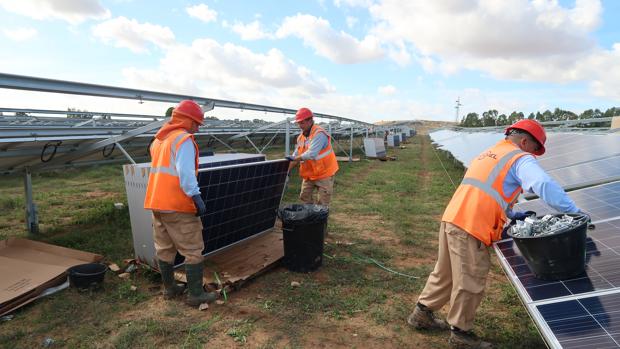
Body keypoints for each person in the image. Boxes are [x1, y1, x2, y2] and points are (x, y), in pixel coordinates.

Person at [408, 119, 585, 349]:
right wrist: (574, 212)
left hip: (453, 216)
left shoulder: (489, 153)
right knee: (470, 280)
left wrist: (512, 213)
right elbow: (542, 183)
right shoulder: (519, 157)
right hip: (472, 225)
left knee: (446, 272)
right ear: (524, 141)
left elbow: (487, 190)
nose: (534, 155)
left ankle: (421, 314)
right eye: (535, 149)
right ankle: (461, 335)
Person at [144, 100, 216, 306]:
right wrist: (196, 196)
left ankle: (169, 289)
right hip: (177, 204)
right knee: (192, 249)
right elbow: (184, 173)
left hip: (156, 203)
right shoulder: (183, 139)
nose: (198, 127)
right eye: (196, 123)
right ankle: (195, 295)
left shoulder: (158, 140)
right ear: (186, 120)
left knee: (164, 248)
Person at [286, 107, 339, 206]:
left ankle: (319, 220)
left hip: (324, 174)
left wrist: (295, 158)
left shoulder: (319, 133)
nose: (299, 126)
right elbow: (295, 156)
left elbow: (311, 154)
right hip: (309, 174)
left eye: (302, 122)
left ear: (310, 120)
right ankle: (309, 218)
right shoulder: (300, 138)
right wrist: (286, 170)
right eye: (298, 123)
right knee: (304, 197)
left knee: (323, 203)